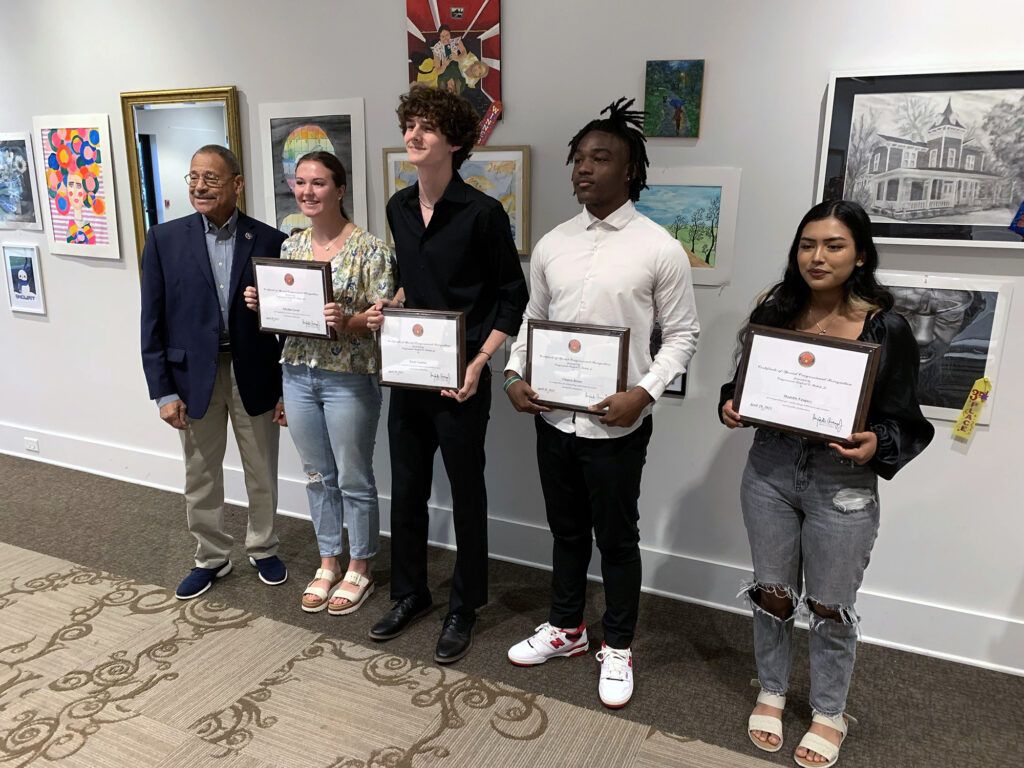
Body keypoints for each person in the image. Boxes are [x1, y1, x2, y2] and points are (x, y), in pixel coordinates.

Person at [719, 200, 934, 766]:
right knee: (772, 591)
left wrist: (876, 444)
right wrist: (731, 405)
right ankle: (770, 690)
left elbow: (905, 419)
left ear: (860, 254)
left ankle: (828, 710)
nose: (818, 256)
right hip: (769, 469)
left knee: (832, 603)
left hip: (842, 481)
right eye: (807, 244)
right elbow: (740, 383)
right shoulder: (777, 308)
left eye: (834, 245)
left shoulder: (887, 327)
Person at [503, 98, 700, 709]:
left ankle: (618, 644)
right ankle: (567, 629)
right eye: (579, 158)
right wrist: (514, 374)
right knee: (565, 530)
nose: (583, 169)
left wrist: (642, 393)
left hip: (617, 425)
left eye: (600, 158)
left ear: (630, 171)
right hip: (553, 417)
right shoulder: (553, 244)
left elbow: (685, 335)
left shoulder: (658, 247)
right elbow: (533, 319)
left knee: (616, 539)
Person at [364, 85, 528, 664]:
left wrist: (481, 364)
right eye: (410, 123)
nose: (414, 134)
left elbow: (513, 296)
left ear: (454, 142)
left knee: (466, 492)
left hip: (462, 376)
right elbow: (416, 281)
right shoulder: (398, 208)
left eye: (428, 127)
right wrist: (393, 301)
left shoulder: (483, 213)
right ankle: (410, 593)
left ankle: (465, 606)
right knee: (406, 488)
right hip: (409, 371)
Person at [244, 152, 395, 615]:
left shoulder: (372, 250)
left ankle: (360, 565)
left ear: (341, 190)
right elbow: (289, 318)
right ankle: (328, 560)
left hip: (348, 378)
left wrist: (347, 321)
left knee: (353, 477)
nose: (308, 192)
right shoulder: (289, 249)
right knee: (316, 476)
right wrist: (261, 304)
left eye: (320, 183)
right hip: (297, 373)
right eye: (301, 183)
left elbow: (382, 323)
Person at [141, 144, 288, 600]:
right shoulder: (164, 240)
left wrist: (286, 387)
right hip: (192, 377)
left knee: (261, 468)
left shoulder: (269, 240)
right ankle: (210, 556)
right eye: (193, 178)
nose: (200, 187)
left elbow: (285, 320)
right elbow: (153, 320)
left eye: (212, 178)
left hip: (256, 371)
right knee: (200, 472)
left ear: (237, 184)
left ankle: (263, 547)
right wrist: (162, 391)